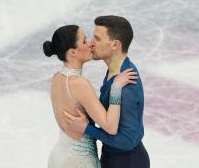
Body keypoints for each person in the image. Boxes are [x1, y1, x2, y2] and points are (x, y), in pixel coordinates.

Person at [44, 24, 139, 168]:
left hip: (59, 157)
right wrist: (116, 88)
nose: (90, 44)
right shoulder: (80, 84)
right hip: (79, 162)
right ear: (72, 52)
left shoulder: (56, 78)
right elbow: (111, 127)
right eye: (84, 41)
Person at [63, 15, 150, 168]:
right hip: (113, 157)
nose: (90, 43)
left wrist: (87, 128)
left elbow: (127, 142)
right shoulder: (115, 71)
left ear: (115, 45)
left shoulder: (126, 89)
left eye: (97, 38)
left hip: (127, 162)